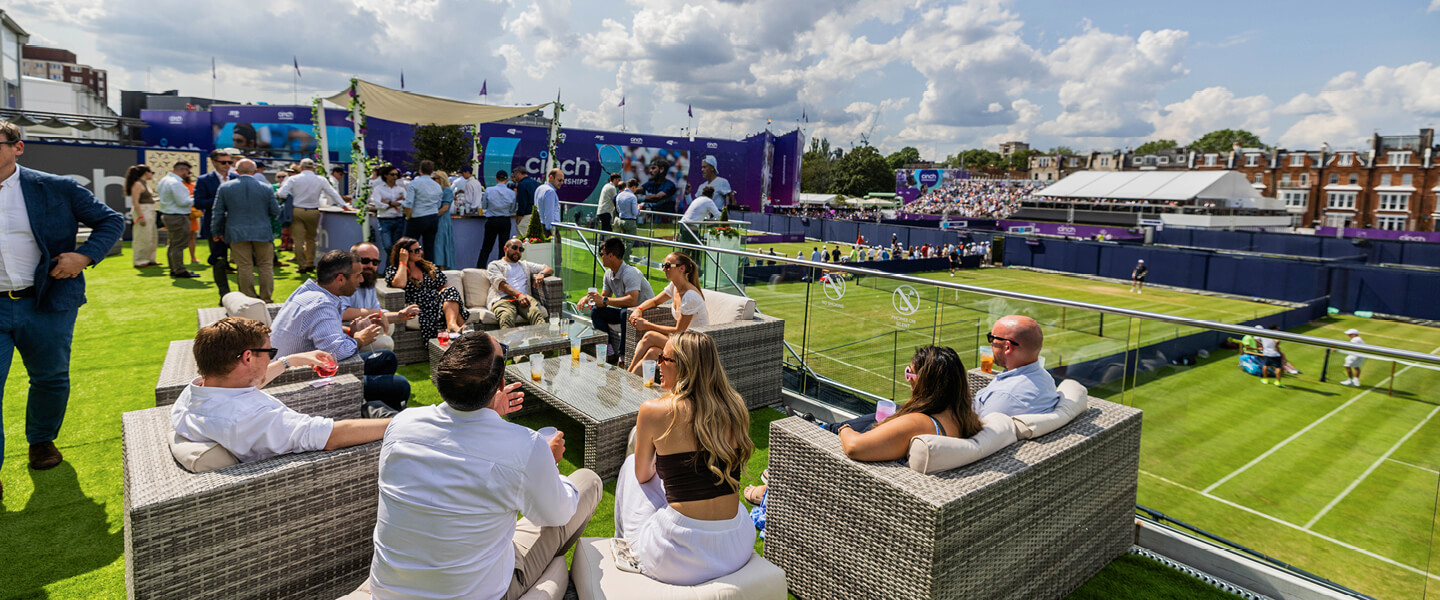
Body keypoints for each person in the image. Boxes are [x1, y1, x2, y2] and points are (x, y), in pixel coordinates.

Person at [365, 331, 601, 600]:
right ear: (501, 383)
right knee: (587, 482)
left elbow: (460, 453)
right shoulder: (526, 447)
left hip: (389, 592)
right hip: (476, 592)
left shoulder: (401, 425)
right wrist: (548, 462)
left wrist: (487, 411)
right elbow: (557, 515)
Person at [0, 120, 123, 500]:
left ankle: (41, 441)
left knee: (51, 378)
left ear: (18, 147)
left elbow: (111, 220)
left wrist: (84, 256)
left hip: (47, 302)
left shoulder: (55, 186)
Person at [744, 346, 983, 503]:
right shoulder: (963, 417)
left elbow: (854, 448)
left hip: (869, 487)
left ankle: (770, 491)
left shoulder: (919, 422)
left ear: (928, 383)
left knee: (838, 433)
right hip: (910, 485)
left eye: (910, 375)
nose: (908, 381)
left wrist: (843, 429)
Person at [615, 330, 755, 585]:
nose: (658, 364)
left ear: (683, 366)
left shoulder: (654, 411)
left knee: (630, 467)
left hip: (677, 556)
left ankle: (621, 543)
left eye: (663, 359)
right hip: (736, 545)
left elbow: (643, 475)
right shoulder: (735, 406)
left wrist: (661, 462)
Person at [170, 317, 392, 463]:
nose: (271, 358)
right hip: (319, 467)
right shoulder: (254, 419)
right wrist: (408, 420)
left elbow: (243, 383)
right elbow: (332, 436)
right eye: (270, 352)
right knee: (380, 406)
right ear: (248, 356)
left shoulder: (196, 392)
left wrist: (291, 361)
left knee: (373, 407)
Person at [271, 250, 411, 414]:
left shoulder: (308, 291)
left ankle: (366, 406)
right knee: (400, 385)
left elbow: (317, 334)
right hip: (303, 378)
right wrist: (360, 340)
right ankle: (382, 418)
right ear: (340, 279)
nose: (361, 279)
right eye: (357, 275)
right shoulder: (321, 304)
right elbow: (335, 351)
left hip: (297, 368)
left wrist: (349, 332)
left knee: (387, 358)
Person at [212, 159, 280, 302]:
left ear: (236, 171)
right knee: (266, 266)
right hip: (262, 232)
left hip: (237, 232)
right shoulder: (266, 188)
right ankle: (266, 298)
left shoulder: (225, 187)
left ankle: (249, 299)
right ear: (255, 171)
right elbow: (275, 210)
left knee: (244, 266)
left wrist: (216, 232)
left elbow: (217, 212)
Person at [580, 237, 656, 365]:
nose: (600, 256)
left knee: (625, 312)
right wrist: (588, 298)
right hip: (629, 312)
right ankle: (608, 350)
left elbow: (632, 301)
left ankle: (623, 355)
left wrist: (604, 300)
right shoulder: (609, 274)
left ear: (611, 255)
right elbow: (603, 298)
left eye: (602, 254)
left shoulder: (630, 273)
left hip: (646, 313)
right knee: (596, 311)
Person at [627, 253, 706, 372]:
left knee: (649, 336)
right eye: (664, 265)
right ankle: (632, 385)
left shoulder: (690, 296)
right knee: (652, 353)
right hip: (682, 340)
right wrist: (638, 310)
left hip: (694, 346)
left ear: (682, 268)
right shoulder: (674, 286)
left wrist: (646, 325)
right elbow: (655, 301)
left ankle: (627, 373)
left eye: (668, 266)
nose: (664, 269)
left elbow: (679, 330)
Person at [973, 315, 1060, 416]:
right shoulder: (1045, 378)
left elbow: (979, 429)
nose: (990, 344)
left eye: (992, 338)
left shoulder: (1005, 396)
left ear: (1007, 347)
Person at [341, 242, 420, 351]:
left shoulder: (368, 282)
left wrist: (400, 315)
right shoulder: (344, 282)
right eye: (365, 261)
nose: (370, 266)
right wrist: (377, 313)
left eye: (375, 262)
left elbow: (376, 314)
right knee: (386, 343)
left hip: (363, 327)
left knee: (388, 324)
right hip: (344, 333)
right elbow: (343, 313)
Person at [386, 237, 469, 339]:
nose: (420, 252)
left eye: (420, 248)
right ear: (405, 253)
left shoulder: (427, 267)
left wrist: (443, 296)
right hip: (419, 306)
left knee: (450, 291)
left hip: (436, 301)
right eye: (416, 250)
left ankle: (454, 327)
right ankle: (464, 334)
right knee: (455, 314)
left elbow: (441, 286)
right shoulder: (395, 270)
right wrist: (403, 262)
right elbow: (400, 284)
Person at [277, 158, 348, 273]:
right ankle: (310, 263)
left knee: (298, 240)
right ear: (313, 168)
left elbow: (282, 193)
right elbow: (332, 192)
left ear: (301, 167)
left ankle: (301, 265)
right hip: (313, 211)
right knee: (311, 239)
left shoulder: (293, 179)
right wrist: (344, 205)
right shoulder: (320, 179)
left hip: (297, 210)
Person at [194, 149, 240, 295]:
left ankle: (244, 294)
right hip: (215, 225)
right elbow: (199, 202)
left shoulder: (237, 177)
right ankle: (224, 294)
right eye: (223, 162)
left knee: (242, 260)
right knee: (219, 260)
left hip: (237, 224)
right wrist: (220, 200)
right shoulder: (204, 180)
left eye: (230, 162)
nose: (227, 165)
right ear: (213, 162)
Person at [485, 238, 554, 329]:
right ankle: (508, 342)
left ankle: (543, 340)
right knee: (506, 317)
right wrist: (518, 295)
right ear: (505, 249)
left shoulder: (525, 265)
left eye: (520, 249)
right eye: (514, 248)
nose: (517, 251)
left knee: (536, 314)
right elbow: (501, 284)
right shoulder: (495, 265)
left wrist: (541, 273)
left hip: (525, 298)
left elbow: (549, 268)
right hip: (502, 299)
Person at [155, 160, 200, 278]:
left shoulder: (164, 180)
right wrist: (198, 199)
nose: (188, 174)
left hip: (169, 214)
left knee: (173, 244)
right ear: (183, 170)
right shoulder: (176, 183)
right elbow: (183, 202)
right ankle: (180, 270)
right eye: (188, 172)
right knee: (179, 245)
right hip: (178, 216)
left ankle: (174, 268)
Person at [404, 160, 446, 255]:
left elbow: (409, 203)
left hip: (417, 217)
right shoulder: (437, 186)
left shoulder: (414, 183)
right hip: (432, 217)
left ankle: (408, 268)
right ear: (432, 172)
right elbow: (439, 204)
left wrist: (407, 216)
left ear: (420, 170)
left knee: (409, 247)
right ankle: (428, 268)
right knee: (429, 248)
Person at [478, 169, 518, 267]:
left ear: (496, 179)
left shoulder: (489, 190)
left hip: (492, 220)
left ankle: (480, 267)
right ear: (507, 179)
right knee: (503, 247)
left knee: (486, 247)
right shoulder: (511, 193)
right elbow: (512, 209)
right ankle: (502, 268)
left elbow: (484, 206)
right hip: (505, 220)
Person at [369, 166, 407, 259]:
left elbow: (406, 202)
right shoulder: (379, 188)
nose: (395, 177)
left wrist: (387, 202)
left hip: (398, 218)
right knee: (388, 246)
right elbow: (378, 204)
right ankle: (392, 267)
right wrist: (393, 203)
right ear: (385, 175)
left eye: (396, 175)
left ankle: (391, 269)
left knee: (396, 247)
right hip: (384, 219)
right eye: (392, 174)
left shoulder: (400, 189)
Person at [125, 165, 159, 268]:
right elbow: (135, 202)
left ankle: (150, 259)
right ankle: (140, 260)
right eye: (151, 172)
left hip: (150, 210)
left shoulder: (145, 184)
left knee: (152, 236)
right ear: (146, 173)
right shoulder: (137, 184)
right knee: (142, 237)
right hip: (143, 211)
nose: (152, 174)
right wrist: (141, 216)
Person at [431, 170, 456, 269]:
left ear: (441, 179)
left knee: (440, 244)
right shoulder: (436, 190)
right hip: (437, 219)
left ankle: (441, 266)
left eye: (434, 178)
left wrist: (432, 215)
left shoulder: (447, 191)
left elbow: (445, 208)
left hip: (442, 220)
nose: (432, 181)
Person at [613, 178, 641, 254]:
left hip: (621, 220)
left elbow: (618, 210)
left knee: (624, 242)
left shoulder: (619, 195)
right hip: (630, 222)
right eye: (636, 188)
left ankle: (622, 260)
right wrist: (639, 209)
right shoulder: (632, 197)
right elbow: (635, 212)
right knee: (629, 244)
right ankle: (625, 261)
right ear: (634, 187)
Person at [513, 166, 540, 235]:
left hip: (527, 213)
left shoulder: (521, 185)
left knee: (522, 231)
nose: (515, 179)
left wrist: (519, 215)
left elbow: (522, 201)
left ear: (519, 174)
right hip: (536, 213)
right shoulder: (536, 183)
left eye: (515, 176)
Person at [535, 167, 562, 235]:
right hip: (549, 229)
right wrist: (552, 231)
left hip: (540, 225)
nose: (561, 182)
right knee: (554, 246)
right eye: (559, 180)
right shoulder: (550, 191)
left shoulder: (540, 188)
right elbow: (549, 213)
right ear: (551, 177)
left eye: (562, 180)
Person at [1257, 324, 1285, 388]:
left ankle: (1265, 379)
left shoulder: (1264, 333)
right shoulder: (1276, 334)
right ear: (1274, 329)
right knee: (1278, 367)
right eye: (1277, 328)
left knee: (1265, 365)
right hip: (1275, 354)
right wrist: (1276, 346)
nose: (1278, 329)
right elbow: (1277, 342)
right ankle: (1277, 382)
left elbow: (1257, 339)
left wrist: (1262, 344)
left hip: (1266, 353)